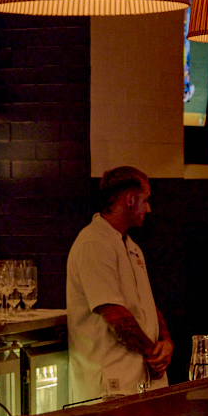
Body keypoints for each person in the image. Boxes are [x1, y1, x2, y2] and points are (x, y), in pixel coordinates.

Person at [65, 166, 173, 402]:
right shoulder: (94, 243)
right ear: (130, 200)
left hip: (141, 382)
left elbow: (146, 305)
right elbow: (114, 314)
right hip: (111, 385)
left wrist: (165, 341)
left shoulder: (130, 245)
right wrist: (152, 354)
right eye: (146, 201)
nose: (149, 208)